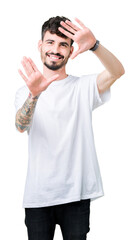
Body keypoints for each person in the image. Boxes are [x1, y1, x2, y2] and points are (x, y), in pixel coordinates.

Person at [14, 16, 125, 240]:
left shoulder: (82, 87)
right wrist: (34, 95)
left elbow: (117, 72)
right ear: (40, 45)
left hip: (76, 196)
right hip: (38, 197)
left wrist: (95, 45)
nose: (56, 49)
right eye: (51, 42)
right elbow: (20, 125)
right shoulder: (25, 92)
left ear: (71, 50)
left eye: (63, 44)